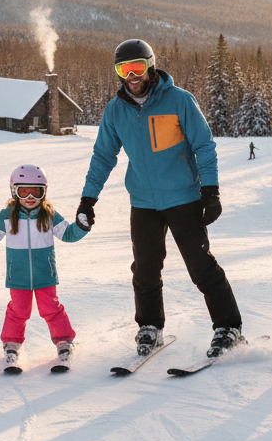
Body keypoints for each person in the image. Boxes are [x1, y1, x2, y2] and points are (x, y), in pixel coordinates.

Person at [77, 38, 243, 359]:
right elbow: (102, 157)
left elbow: (204, 146)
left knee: (200, 266)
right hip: (143, 203)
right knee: (145, 270)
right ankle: (150, 326)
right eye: (124, 69)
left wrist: (210, 190)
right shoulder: (116, 111)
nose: (132, 75)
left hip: (183, 199)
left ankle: (228, 326)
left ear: (150, 66)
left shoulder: (179, 101)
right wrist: (88, 199)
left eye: (137, 67)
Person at [0, 164, 90, 366]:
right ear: (14, 191)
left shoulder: (48, 214)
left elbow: (68, 234)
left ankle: (64, 340)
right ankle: (12, 343)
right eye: (24, 191)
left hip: (45, 274)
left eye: (36, 191)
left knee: (51, 308)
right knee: (18, 310)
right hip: (18, 275)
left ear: (44, 192)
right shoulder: (8, 215)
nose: (30, 197)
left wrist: (82, 226)